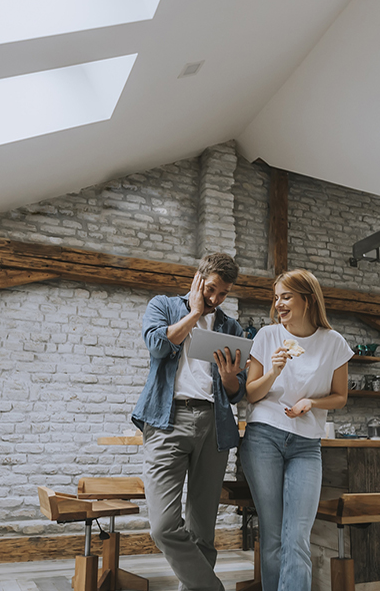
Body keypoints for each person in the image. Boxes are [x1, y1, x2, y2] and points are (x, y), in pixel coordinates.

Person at [131, 252, 248, 591]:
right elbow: (156, 345)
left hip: (214, 425)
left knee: (202, 530)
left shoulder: (230, 327)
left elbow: (237, 391)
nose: (215, 299)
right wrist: (195, 312)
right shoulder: (164, 306)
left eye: (223, 294)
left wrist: (229, 379)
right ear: (198, 279)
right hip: (167, 421)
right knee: (164, 526)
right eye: (211, 289)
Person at [239, 269, 352, 591]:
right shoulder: (267, 336)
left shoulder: (334, 343)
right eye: (276, 298)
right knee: (273, 534)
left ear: (308, 299)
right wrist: (274, 371)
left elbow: (340, 397)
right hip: (264, 438)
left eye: (286, 296)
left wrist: (312, 403)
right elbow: (252, 394)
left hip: (306, 445)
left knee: (298, 535)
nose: (279, 304)